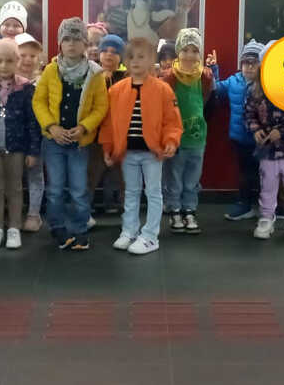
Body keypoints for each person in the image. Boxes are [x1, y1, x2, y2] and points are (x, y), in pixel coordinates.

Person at [100, 38, 183, 255]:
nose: (135, 61)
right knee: (131, 192)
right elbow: (108, 123)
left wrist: (171, 141)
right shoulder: (116, 91)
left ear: (151, 60)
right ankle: (129, 231)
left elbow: (172, 121)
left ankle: (150, 236)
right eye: (131, 57)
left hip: (152, 154)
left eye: (141, 57)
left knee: (153, 193)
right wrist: (108, 148)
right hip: (127, 153)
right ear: (125, 61)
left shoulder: (163, 90)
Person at [32, 17, 108, 250]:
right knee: (55, 188)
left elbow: (100, 107)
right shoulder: (50, 70)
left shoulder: (95, 74)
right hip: (53, 141)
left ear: (85, 43)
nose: (71, 44)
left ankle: (80, 229)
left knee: (79, 189)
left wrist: (84, 127)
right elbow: (39, 101)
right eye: (66, 39)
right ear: (60, 43)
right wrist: (51, 127)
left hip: (79, 143)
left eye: (77, 39)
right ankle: (57, 227)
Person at [0, 38, 41, 250]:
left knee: (15, 189)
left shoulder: (26, 89)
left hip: (17, 148)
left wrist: (33, 151)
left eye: (9, 61)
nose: (4, 66)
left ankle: (14, 227)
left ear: (17, 61)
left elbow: (33, 122)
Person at [244, 48, 284, 241]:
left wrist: (282, 132)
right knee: (267, 185)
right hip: (268, 151)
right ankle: (266, 218)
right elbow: (248, 114)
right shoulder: (256, 91)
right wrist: (256, 129)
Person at [161, 28, 214, 234]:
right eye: (185, 50)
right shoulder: (169, 77)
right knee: (174, 176)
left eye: (194, 51)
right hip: (176, 138)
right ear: (178, 52)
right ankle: (174, 209)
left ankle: (189, 210)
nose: (190, 55)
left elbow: (206, 100)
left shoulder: (205, 77)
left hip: (198, 137)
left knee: (192, 178)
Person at [215, 40, 265, 221]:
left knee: (265, 175)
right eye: (246, 62)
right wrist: (213, 69)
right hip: (240, 138)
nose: (249, 67)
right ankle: (245, 205)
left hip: (262, 139)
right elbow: (215, 89)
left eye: (254, 63)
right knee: (245, 173)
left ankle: (268, 207)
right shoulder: (233, 81)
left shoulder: (266, 84)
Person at [87, 33, 127, 216]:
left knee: (123, 174)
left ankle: (122, 206)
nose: (109, 55)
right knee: (92, 172)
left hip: (120, 134)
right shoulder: (91, 74)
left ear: (121, 57)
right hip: (96, 133)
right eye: (105, 51)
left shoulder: (126, 77)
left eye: (114, 52)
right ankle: (85, 208)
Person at [15, 32, 46, 232]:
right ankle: (15, 213)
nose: (27, 59)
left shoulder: (43, 81)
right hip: (13, 138)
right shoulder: (6, 81)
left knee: (35, 174)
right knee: (13, 177)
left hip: (37, 138)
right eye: (23, 55)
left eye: (32, 56)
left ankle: (34, 214)